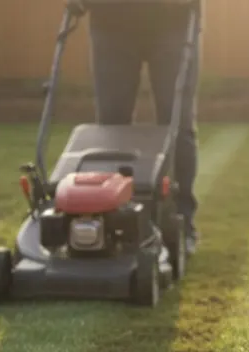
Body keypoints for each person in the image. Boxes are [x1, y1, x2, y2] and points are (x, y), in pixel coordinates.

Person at [76, 0, 203, 255]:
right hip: (110, 20)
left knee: (176, 123)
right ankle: (111, 216)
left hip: (173, 20)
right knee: (112, 127)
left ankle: (181, 221)